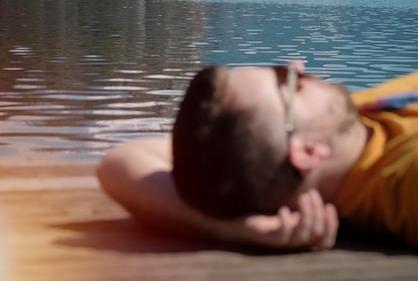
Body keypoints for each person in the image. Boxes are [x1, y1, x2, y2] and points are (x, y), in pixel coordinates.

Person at [97, 62, 418, 250]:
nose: (297, 67)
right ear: (307, 152)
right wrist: (242, 232)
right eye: (288, 81)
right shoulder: (403, 181)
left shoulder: (346, 122)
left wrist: (229, 227)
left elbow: (119, 162)